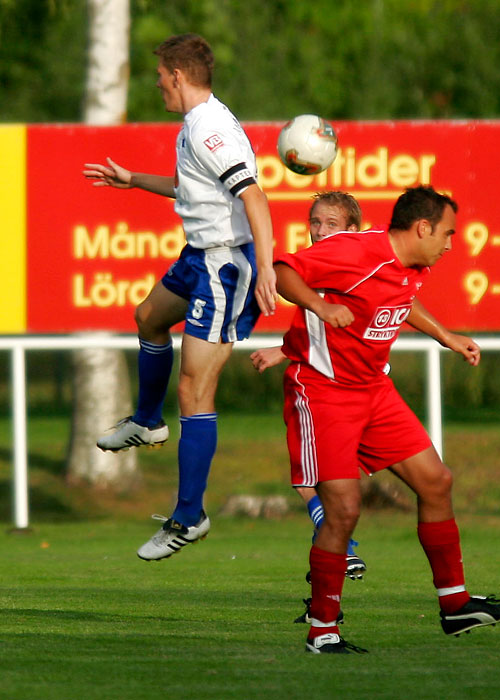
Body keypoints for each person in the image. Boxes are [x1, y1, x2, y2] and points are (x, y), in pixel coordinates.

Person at [274, 185, 500, 654]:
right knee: (344, 511)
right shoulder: (354, 250)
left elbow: (401, 302)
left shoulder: (411, 265)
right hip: (324, 393)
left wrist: (446, 335)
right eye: (447, 233)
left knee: (436, 481)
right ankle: (322, 631)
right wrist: (322, 305)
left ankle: (455, 604)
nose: (450, 244)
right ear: (422, 227)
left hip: (373, 391)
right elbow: (284, 270)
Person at [83, 33, 277, 561]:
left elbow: (254, 197)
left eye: (161, 76)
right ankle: (147, 420)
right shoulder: (198, 122)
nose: (157, 85)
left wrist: (264, 268)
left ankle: (189, 516)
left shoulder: (210, 128)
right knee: (148, 317)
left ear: (178, 75)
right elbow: (193, 186)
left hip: (223, 264)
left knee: (195, 390)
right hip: (198, 255)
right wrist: (132, 180)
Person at [251, 191, 367, 583]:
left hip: (324, 387)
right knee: (325, 481)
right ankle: (325, 593)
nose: (319, 232)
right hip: (353, 386)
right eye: (315, 223)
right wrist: (282, 350)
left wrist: (283, 352)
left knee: (309, 482)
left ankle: (342, 549)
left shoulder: (333, 268)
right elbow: (314, 330)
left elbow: (333, 326)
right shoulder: (337, 265)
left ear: (354, 230)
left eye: (331, 224)